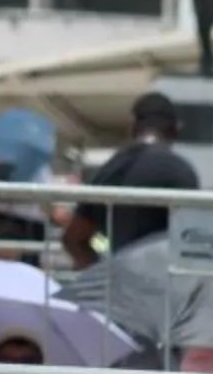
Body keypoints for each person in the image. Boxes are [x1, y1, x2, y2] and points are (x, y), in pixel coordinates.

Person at [61, 93, 200, 269]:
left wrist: (102, 278)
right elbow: (194, 240)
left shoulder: (111, 169)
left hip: (122, 282)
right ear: (175, 129)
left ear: (133, 126)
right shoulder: (182, 171)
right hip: (168, 285)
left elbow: (74, 238)